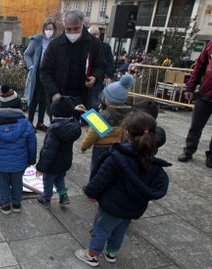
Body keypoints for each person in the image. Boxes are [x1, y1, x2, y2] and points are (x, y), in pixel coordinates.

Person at [75, 111, 170, 267]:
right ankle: (111, 253)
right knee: (120, 230)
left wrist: (90, 193)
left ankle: (92, 255)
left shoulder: (116, 157)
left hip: (112, 206)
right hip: (132, 208)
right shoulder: (152, 161)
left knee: (101, 230)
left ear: (126, 133)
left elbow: (100, 180)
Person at [41, 10, 105, 109]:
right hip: (59, 96)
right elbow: (45, 71)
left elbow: (100, 65)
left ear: (82, 25)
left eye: (76, 29)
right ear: (64, 26)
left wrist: (95, 77)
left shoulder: (94, 44)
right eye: (69, 29)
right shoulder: (55, 45)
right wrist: (54, 92)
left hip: (83, 97)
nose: (72, 32)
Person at [0, 100, 37, 214]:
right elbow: (32, 144)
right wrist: (31, 160)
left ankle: (5, 205)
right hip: (20, 162)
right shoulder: (26, 123)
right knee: (17, 182)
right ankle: (17, 204)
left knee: (3, 184)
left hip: (0, 162)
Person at [80, 74, 134, 172]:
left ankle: (94, 186)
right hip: (119, 147)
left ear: (108, 99)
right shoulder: (128, 113)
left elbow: (92, 133)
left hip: (101, 148)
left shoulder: (102, 115)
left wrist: (84, 146)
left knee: (97, 170)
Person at [36, 97, 82, 207]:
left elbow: (49, 151)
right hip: (64, 162)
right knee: (60, 178)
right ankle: (63, 196)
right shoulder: (73, 126)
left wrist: (41, 167)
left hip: (52, 164)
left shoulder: (54, 129)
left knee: (48, 181)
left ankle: (46, 198)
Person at [178, 41, 212, 168]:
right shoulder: (210, 46)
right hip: (205, 94)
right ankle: (188, 151)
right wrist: (190, 87)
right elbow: (199, 66)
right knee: (196, 126)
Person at [24, 18, 57, 131]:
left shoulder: (55, 42)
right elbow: (27, 54)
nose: (48, 31)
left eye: (50, 29)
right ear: (43, 29)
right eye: (47, 29)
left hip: (49, 74)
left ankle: (40, 122)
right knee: (34, 98)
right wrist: (31, 66)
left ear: (54, 30)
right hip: (37, 72)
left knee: (44, 99)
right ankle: (29, 123)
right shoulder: (37, 40)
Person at [88, 26, 115, 110]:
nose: (94, 36)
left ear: (99, 35)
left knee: (94, 101)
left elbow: (109, 63)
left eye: (96, 34)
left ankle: (91, 120)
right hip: (85, 77)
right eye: (92, 34)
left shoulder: (105, 47)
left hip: (98, 78)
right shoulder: (84, 46)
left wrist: (109, 77)